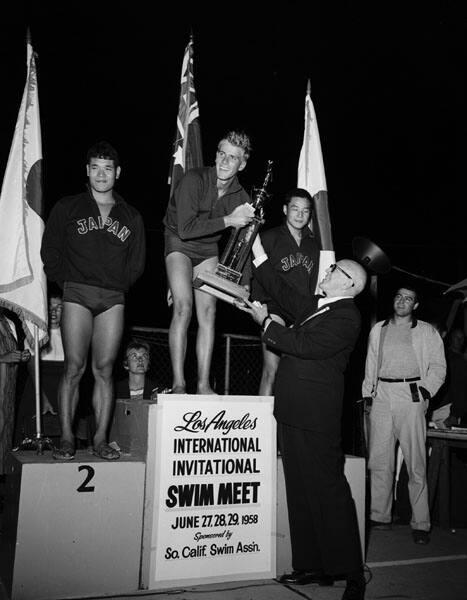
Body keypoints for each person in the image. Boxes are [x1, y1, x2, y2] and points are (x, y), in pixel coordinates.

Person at [238, 234, 368, 600]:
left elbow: (305, 346)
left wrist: (266, 324)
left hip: (317, 415)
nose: (327, 270)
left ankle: (351, 572)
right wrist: (259, 255)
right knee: (299, 489)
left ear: (350, 283)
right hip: (293, 409)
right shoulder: (317, 304)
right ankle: (313, 566)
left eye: (335, 269)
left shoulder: (347, 317)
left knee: (329, 490)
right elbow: (283, 289)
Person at [40, 141, 146, 460]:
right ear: (87, 171)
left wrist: (119, 284)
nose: (102, 174)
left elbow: (137, 262)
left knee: (104, 368)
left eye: (108, 168)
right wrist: (68, 281)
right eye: (96, 168)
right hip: (77, 295)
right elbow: (50, 251)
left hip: (112, 298)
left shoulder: (131, 216)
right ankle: (68, 438)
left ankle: (100, 439)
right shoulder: (68, 207)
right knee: (74, 367)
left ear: (118, 173)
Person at [163, 130, 255, 394]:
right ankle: (179, 383)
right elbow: (186, 229)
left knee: (209, 313)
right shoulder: (194, 179)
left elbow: (245, 245)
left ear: (243, 164)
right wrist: (229, 220)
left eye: (233, 158)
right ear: (215, 155)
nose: (225, 162)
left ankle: (203, 385)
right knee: (183, 307)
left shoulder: (242, 198)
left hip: (207, 247)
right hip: (179, 239)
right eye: (222, 154)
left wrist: (243, 286)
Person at [362, 286, 446, 544]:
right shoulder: (379, 329)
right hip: (382, 395)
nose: (402, 301)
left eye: (408, 298)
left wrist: (425, 391)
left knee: (416, 462)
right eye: (398, 296)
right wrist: (368, 393)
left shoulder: (427, 332)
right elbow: (370, 362)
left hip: (411, 394)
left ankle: (421, 523)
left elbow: (439, 367)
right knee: (379, 460)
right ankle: (380, 516)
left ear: (415, 305)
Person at [250, 188, 319, 395]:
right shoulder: (269, 237)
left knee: (296, 374)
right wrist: (251, 298)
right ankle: (263, 423)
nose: (300, 215)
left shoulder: (314, 245)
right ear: (285, 209)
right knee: (272, 369)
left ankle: (285, 423)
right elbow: (252, 268)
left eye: (305, 211)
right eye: (295, 209)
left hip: (301, 312)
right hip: (274, 308)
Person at [0, 308, 30, 473]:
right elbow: (5, 356)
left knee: (5, 433)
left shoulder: (9, 322)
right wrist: (3, 358)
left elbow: (12, 353)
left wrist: (21, 356)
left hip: (8, 391)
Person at [430, 327, 467, 428]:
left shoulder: (461, 360)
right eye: (456, 337)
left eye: (462, 338)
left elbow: (461, 388)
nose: (459, 341)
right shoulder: (443, 356)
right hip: (440, 408)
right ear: (451, 338)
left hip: (446, 409)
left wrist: (455, 413)